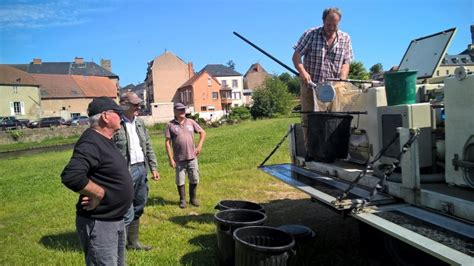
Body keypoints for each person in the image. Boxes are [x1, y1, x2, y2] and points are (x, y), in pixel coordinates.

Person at [61, 97, 133, 265]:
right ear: (105, 116)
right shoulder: (91, 141)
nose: (122, 117)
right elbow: (72, 175)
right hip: (100, 223)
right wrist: (98, 193)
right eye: (118, 113)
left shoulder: (105, 139)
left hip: (114, 220)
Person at [292, 7, 353, 160]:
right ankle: (311, 151)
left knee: (333, 118)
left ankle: (331, 151)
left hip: (333, 87)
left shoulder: (345, 38)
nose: (331, 28)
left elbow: (346, 62)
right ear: (323, 21)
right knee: (310, 118)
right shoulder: (310, 34)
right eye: (328, 25)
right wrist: (303, 73)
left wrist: (342, 79)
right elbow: (296, 56)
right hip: (311, 85)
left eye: (335, 25)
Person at [113, 91, 160, 251]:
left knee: (139, 204)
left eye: (139, 103)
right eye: (135, 104)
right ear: (124, 104)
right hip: (125, 171)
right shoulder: (115, 124)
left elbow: (147, 146)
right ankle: (120, 246)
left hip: (141, 168)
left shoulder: (139, 123)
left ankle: (133, 243)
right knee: (125, 207)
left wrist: (153, 167)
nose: (139, 106)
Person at [165, 103, 206, 209]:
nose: (182, 111)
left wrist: (199, 146)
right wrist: (171, 158)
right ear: (175, 112)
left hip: (192, 157)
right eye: (180, 110)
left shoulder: (191, 122)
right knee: (180, 180)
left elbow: (203, 133)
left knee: (194, 178)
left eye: (183, 109)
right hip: (179, 159)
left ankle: (193, 199)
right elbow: (167, 143)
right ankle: (182, 200)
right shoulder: (170, 125)